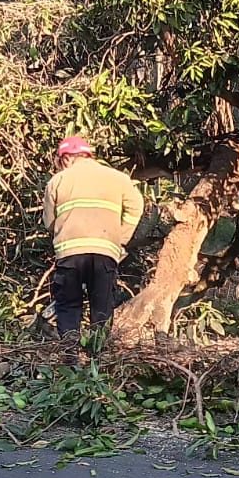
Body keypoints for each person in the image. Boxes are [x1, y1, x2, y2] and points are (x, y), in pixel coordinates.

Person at [41, 136, 145, 336]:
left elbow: (50, 222)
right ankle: (98, 358)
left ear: (66, 159)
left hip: (69, 253)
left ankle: (70, 356)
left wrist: (65, 233)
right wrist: (121, 237)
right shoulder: (117, 178)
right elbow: (136, 206)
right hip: (105, 252)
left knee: (69, 306)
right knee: (102, 307)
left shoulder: (58, 181)